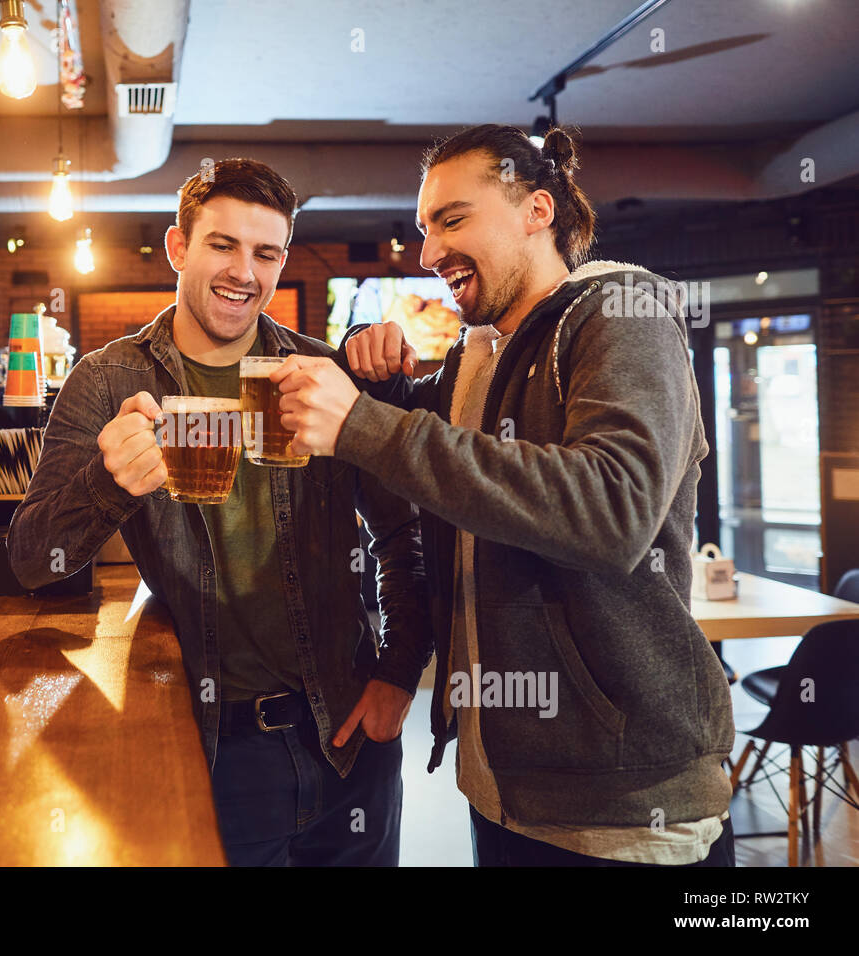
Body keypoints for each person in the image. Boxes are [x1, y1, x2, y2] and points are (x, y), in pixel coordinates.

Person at [271, 125, 736, 866]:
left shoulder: (621, 314)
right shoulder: (476, 353)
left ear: (537, 211)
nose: (428, 253)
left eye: (453, 219)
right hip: (500, 790)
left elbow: (612, 510)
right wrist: (371, 357)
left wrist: (365, 423)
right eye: (424, 230)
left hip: (621, 811)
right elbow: (448, 468)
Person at [7, 158, 432, 866]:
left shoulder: (319, 373)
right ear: (179, 248)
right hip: (219, 752)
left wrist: (398, 673)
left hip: (350, 738)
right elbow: (30, 559)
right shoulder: (109, 379)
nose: (244, 271)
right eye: (222, 245)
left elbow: (400, 533)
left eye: (265, 253)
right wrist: (109, 483)